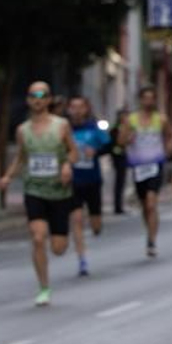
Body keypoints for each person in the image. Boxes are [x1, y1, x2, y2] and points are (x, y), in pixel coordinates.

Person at [0, 81, 78, 306]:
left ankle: (61, 236)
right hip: (34, 190)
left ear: (49, 99)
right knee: (37, 237)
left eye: (42, 95)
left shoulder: (61, 126)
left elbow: (73, 151)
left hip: (59, 192)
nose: (37, 99)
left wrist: (66, 166)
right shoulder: (22, 130)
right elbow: (21, 157)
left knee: (59, 248)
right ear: (27, 100)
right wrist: (7, 176)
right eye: (33, 95)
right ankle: (43, 287)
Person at [117, 86, 172, 258]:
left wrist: (168, 149)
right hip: (138, 166)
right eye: (145, 98)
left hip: (155, 164)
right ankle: (149, 229)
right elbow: (120, 141)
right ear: (140, 100)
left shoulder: (161, 119)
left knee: (151, 203)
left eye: (151, 98)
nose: (148, 101)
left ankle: (151, 240)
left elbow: (170, 135)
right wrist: (128, 138)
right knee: (145, 206)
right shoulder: (131, 120)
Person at [67, 95, 110, 276]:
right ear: (69, 109)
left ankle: (96, 227)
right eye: (73, 107)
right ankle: (82, 259)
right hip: (73, 181)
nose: (77, 111)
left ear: (86, 109)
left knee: (96, 225)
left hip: (92, 180)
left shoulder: (94, 127)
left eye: (80, 107)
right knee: (76, 219)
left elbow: (108, 145)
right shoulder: (64, 129)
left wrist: (96, 151)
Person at [110, 108, 131, 216]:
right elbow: (115, 144)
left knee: (122, 182)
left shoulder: (126, 128)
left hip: (124, 157)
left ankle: (119, 205)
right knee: (119, 182)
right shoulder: (116, 129)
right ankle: (118, 206)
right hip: (118, 157)